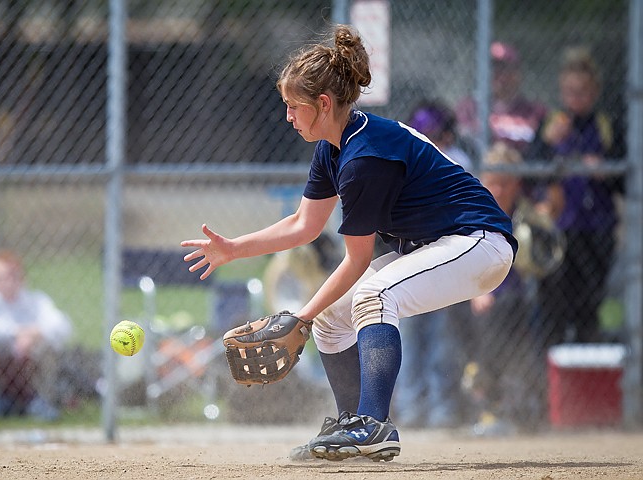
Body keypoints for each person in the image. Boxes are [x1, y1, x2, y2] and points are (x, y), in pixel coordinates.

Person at [181, 25, 517, 462]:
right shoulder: (334, 145)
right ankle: (351, 425)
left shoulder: (365, 158)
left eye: (293, 107)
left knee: (374, 295)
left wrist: (298, 317)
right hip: (437, 246)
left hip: (478, 243)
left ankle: (373, 425)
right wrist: (233, 249)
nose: (288, 117)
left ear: (323, 104)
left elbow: (357, 260)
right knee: (333, 317)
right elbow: (304, 223)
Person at [531, 46, 623, 347]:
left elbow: (625, 183)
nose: (575, 100)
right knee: (554, 308)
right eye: (570, 92)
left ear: (594, 92)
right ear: (561, 90)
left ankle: (586, 373)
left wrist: (606, 170)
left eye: (582, 92)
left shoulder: (606, 127)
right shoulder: (550, 125)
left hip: (597, 230)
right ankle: (552, 381)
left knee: (589, 307)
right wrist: (546, 145)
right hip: (558, 229)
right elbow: (528, 174)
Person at [460, 142, 553, 435]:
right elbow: (459, 260)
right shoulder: (473, 210)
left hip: (516, 298)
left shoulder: (525, 216)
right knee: (489, 318)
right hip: (474, 294)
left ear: (516, 184)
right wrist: (477, 291)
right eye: (491, 183)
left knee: (511, 310)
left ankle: (515, 408)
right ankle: (487, 405)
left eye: (504, 184)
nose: (497, 191)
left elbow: (546, 257)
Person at [392, 100, 473, 430]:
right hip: (410, 263)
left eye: (441, 136)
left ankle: (443, 409)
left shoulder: (459, 161)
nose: (440, 143)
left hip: (447, 266)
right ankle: (412, 409)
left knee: (443, 342)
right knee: (410, 339)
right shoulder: (403, 161)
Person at [0, 249, 72, 420]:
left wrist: (34, 335)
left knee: (45, 348)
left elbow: (62, 325)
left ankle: (36, 401)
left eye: (14, 276)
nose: (9, 282)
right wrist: (14, 334)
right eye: (2, 277)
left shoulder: (33, 300)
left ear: (22, 278)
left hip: (26, 368)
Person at [456, 41, 547, 158]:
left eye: (506, 68)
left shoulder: (535, 111)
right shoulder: (468, 108)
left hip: (524, 173)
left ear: (517, 73)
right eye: (494, 69)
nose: (500, 75)